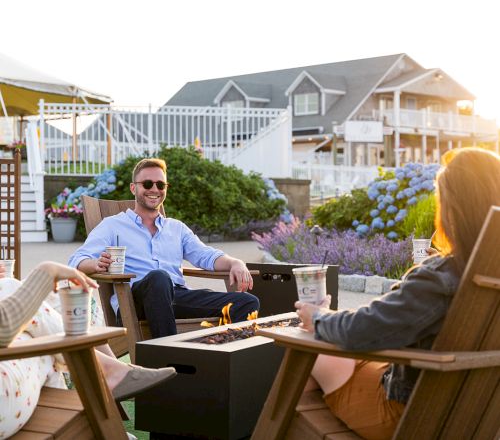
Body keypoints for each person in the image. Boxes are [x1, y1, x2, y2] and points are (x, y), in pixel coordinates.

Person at [296, 147, 500, 440]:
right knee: (350, 355)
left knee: (307, 351)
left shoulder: (440, 278)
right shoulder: (481, 275)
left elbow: (362, 331)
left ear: (453, 211)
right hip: (477, 416)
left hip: (412, 418)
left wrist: (318, 318)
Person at [69, 158, 259, 338]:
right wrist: (96, 264)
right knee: (159, 278)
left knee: (247, 302)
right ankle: (167, 358)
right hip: (134, 302)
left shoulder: (176, 228)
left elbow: (205, 256)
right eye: (147, 184)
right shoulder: (112, 225)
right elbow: (76, 261)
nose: (154, 189)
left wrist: (235, 262)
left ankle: (222, 363)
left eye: (160, 185)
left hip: (177, 297)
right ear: (133, 188)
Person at [0, 262, 176, 438]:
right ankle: (103, 369)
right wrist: (47, 270)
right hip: (5, 401)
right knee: (13, 292)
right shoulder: (109, 233)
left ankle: (103, 370)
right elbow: (3, 327)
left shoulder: (178, 234)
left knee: (24, 300)